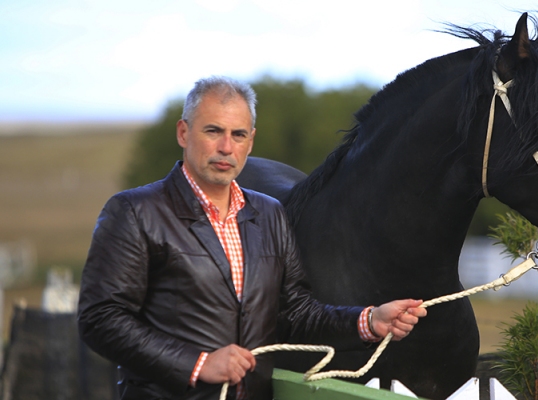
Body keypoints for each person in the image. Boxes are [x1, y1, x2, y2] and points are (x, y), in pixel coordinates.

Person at [77, 76, 427, 400]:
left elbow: (295, 314)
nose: (226, 147)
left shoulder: (269, 213)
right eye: (213, 131)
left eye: (239, 134)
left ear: (251, 141)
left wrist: (368, 320)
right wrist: (198, 364)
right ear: (183, 133)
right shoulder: (135, 212)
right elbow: (101, 318)